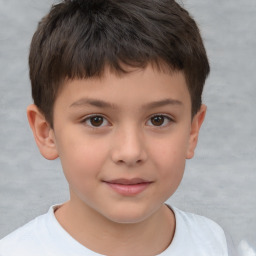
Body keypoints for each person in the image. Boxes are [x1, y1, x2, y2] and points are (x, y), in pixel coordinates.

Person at [0, 0, 234, 255]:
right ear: (46, 132)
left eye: (158, 120)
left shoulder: (214, 243)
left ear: (192, 131)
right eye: (96, 120)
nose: (130, 152)